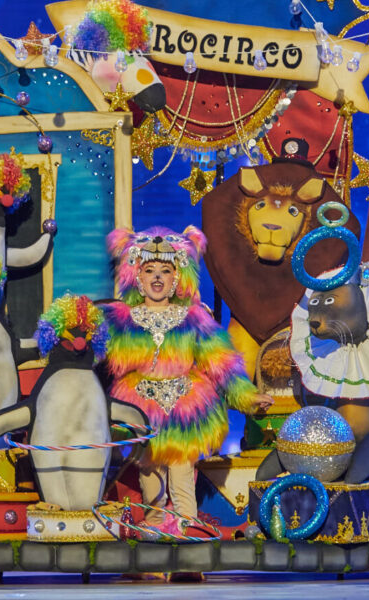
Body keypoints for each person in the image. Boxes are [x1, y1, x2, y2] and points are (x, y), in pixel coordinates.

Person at [101, 225, 274, 535]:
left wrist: (247, 395)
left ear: (176, 278)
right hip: (140, 408)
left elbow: (221, 362)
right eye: (149, 270)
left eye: (165, 271)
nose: (157, 277)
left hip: (184, 405)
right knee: (149, 472)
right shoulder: (120, 320)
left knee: (182, 469)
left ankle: (187, 529)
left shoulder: (194, 319)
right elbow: (90, 348)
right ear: (137, 278)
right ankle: (155, 529)